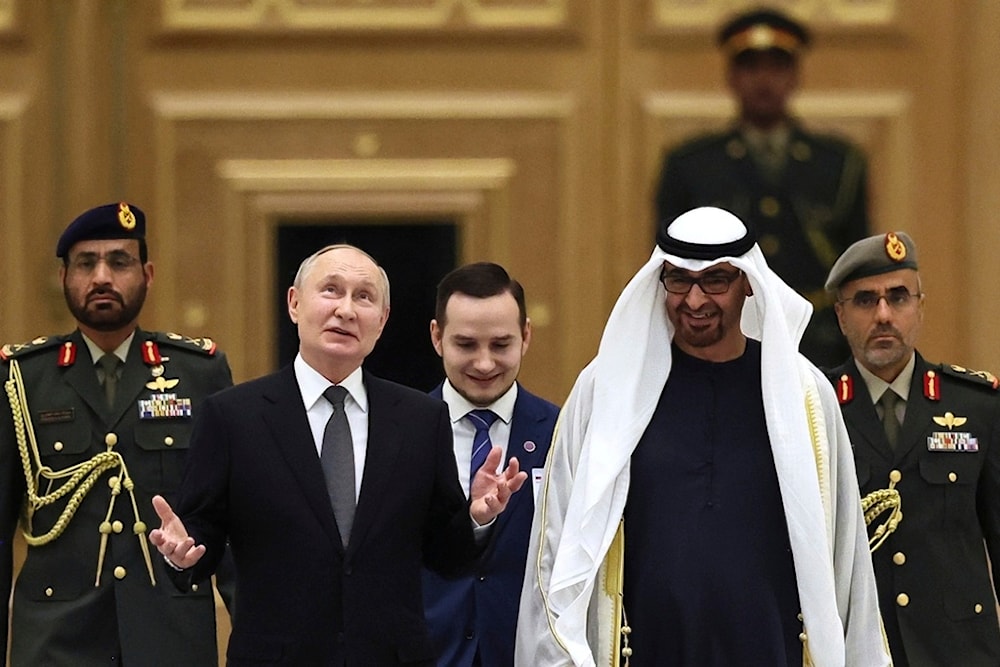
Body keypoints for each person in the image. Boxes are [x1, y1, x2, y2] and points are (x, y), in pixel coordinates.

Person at [516, 206, 889, 666]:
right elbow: (555, 547)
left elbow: (845, 558)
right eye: (678, 280)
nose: (694, 301)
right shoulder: (608, 389)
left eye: (715, 280)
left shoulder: (803, 395)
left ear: (748, 282)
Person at [149, 244, 528, 666]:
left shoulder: (421, 419)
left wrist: (478, 515)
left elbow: (446, 556)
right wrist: (182, 553)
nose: (346, 310)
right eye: (331, 290)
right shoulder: (233, 416)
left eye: (364, 297)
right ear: (294, 303)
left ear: (381, 322)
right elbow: (200, 534)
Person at [0, 202, 234, 665]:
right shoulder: (23, 380)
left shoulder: (198, 372)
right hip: (54, 640)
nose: (102, 277)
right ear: (64, 277)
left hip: (169, 633)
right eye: (86, 263)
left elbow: (229, 520)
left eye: (119, 261)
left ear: (148, 274)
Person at [654, 7, 870, 368]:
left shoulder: (838, 163)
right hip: (721, 338)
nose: (764, 80)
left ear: (795, 76)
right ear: (732, 77)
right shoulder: (691, 165)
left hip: (818, 343)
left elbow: (856, 270)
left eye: (777, 66)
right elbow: (667, 269)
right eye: (751, 67)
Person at [825, 231, 1000, 666]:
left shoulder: (976, 406)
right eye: (865, 300)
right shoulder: (817, 410)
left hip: (960, 652)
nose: (883, 314)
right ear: (841, 316)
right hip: (857, 649)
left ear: (920, 306)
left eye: (898, 297)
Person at [422, 262, 558, 667]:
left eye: (501, 345)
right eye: (466, 345)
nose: (484, 364)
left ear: (526, 336)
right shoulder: (398, 432)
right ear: (437, 337)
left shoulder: (561, 434)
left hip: (526, 653)